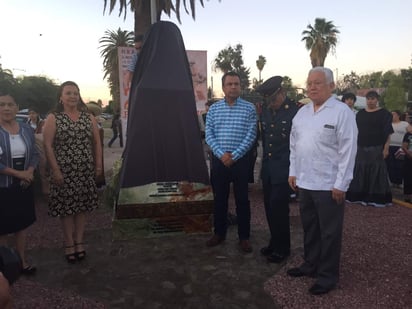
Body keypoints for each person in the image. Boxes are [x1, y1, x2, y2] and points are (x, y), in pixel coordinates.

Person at [287, 67, 358, 295]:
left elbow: (348, 150)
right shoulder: (302, 113)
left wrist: (341, 184)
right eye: (309, 83)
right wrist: (293, 171)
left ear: (332, 86)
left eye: (318, 82)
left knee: (329, 232)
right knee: (310, 228)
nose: (312, 87)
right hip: (305, 183)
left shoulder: (341, 112)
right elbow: (294, 146)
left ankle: (327, 276)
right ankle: (310, 264)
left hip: (329, 186)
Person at [43, 81, 103, 264]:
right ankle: (69, 242)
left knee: (82, 207)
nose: (73, 96)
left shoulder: (88, 117)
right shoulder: (54, 118)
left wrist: (98, 165)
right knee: (67, 209)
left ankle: (79, 241)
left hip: (85, 170)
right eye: (68, 93)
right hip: (64, 171)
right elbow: (47, 145)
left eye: (75, 93)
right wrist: (55, 170)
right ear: (61, 97)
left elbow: (96, 143)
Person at [205, 71, 257, 253]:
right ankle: (219, 233)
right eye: (230, 84)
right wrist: (221, 154)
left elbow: (251, 135)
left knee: (242, 199)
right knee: (220, 199)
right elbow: (209, 134)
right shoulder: (214, 109)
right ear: (223, 87)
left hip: (241, 161)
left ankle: (244, 237)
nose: (233, 87)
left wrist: (234, 155)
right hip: (220, 161)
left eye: (236, 84)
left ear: (240, 86)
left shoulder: (249, 108)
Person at [256, 76, 299, 263]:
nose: (271, 104)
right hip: (268, 169)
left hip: (285, 169)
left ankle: (283, 248)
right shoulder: (265, 110)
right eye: (268, 100)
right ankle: (274, 242)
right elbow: (265, 140)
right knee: (269, 208)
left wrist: (295, 172)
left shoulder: (296, 111)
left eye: (273, 99)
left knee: (279, 209)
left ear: (282, 93)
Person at [0, 92, 39, 275]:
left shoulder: (26, 129)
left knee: (21, 226)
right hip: (3, 186)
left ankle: (22, 261)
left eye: (10, 104)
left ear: (16, 107)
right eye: (2, 105)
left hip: (24, 185)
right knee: (2, 228)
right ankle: (4, 265)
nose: (6, 108)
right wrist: (19, 174)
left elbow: (34, 154)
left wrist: (30, 171)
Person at [346, 90, 393, 207]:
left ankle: (375, 198)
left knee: (376, 171)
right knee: (360, 170)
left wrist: (386, 148)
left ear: (377, 100)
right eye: (368, 99)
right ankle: (359, 196)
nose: (370, 101)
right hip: (361, 147)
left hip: (376, 147)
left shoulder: (384, 114)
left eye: (373, 99)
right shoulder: (360, 114)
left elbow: (387, 133)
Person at [27, 107, 49, 195]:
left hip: (43, 152)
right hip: (31, 152)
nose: (32, 115)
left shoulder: (43, 124)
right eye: (30, 113)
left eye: (34, 113)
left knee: (44, 172)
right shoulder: (27, 125)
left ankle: (45, 191)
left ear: (37, 114)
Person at [386, 110, 409, 188]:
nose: (392, 116)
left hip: (400, 148)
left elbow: (410, 132)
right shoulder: (388, 124)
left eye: (394, 114)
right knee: (390, 165)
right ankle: (392, 181)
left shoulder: (404, 124)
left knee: (399, 165)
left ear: (398, 115)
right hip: (389, 146)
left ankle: (399, 182)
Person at [402, 130, 412, 202]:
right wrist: (409, 154)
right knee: (408, 177)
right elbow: (404, 146)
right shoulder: (408, 134)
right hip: (409, 159)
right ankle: (408, 197)